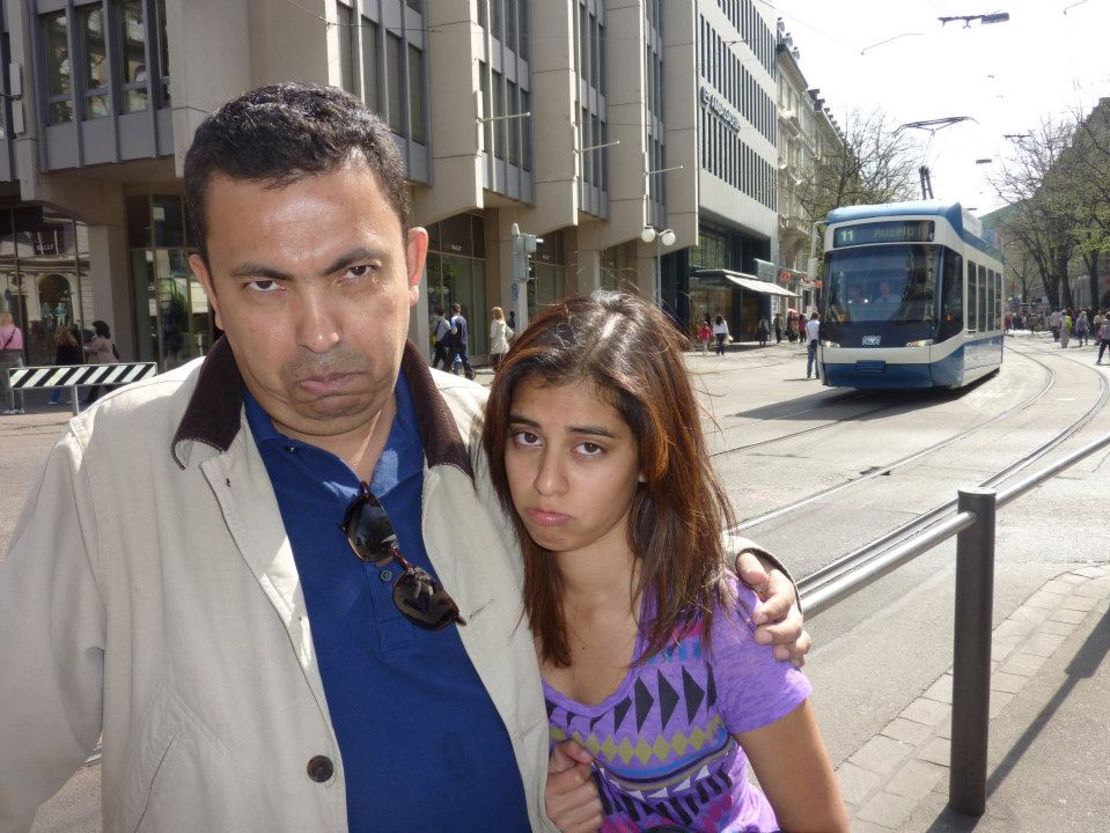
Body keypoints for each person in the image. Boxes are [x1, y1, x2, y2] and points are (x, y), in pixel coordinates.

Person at [0, 82, 808, 833]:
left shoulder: (503, 435)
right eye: (266, 285)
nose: (319, 332)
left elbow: (632, 520)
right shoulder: (109, 468)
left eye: (354, 271)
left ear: (414, 266)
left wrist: (741, 566)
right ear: (209, 285)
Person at [482, 293, 848, 833]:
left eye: (589, 447)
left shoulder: (725, 624)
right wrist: (545, 797)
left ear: (651, 457)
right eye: (527, 437)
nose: (545, 481)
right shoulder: (498, 588)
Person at [82, 319, 118, 405]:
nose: (93, 330)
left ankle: (115, 396)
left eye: (95, 328)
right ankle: (91, 398)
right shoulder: (106, 337)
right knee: (100, 381)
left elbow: (93, 349)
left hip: (102, 362)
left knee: (103, 382)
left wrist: (85, 348)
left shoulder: (100, 339)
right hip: (106, 361)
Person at [47, 324, 84, 406]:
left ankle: (54, 399)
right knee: (75, 381)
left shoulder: (62, 343)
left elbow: (60, 357)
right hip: (74, 364)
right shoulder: (73, 342)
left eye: (58, 332)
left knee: (60, 382)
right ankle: (77, 398)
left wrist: (57, 366)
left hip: (63, 365)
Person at [0, 309, 25, 415]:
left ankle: (11, 408)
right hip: (18, 358)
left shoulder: (0, 330)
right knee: (19, 383)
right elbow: (21, 345)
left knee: (8, 384)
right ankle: (20, 408)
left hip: (4, 359)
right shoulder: (17, 330)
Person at [447, 301, 475, 380]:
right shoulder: (463, 319)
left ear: (452, 310)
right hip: (463, 342)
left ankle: (444, 373)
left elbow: (454, 331)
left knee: (449, 360)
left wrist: (450, 332)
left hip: (455, 343)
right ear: (460, 310)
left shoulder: (453, 319)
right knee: (465, 360)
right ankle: (469, 376)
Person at [489, 305, 514, 371]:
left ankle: (497, 379)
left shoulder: (494, 322)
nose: (492, 314)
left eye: (493, 312)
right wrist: (505, 339)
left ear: (496, 313)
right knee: (503, 363)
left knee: (496, 364)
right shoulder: (503, 322)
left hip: (496, 344)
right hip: (504, 344)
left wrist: (491, 340)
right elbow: (511, 333)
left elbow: (493, 334)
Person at [430, 305, 453, 370]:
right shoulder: (445, 321)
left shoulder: (434, 321)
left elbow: (432, 331)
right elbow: (450, 330)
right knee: (443, 354)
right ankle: (448, 367)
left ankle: (435, 366)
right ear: (444, 314)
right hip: (443, 340)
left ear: (437, 313)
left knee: (439, 354)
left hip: (436, 341)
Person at [805, 311, 821, 380]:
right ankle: (817, 374)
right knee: (817, 359)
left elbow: (807, 334)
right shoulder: (818, 324)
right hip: (817, 343)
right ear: (817, 316)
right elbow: (819, 334)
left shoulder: (808, 324)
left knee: (810, 359)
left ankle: (809, 374)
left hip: (809, 343)